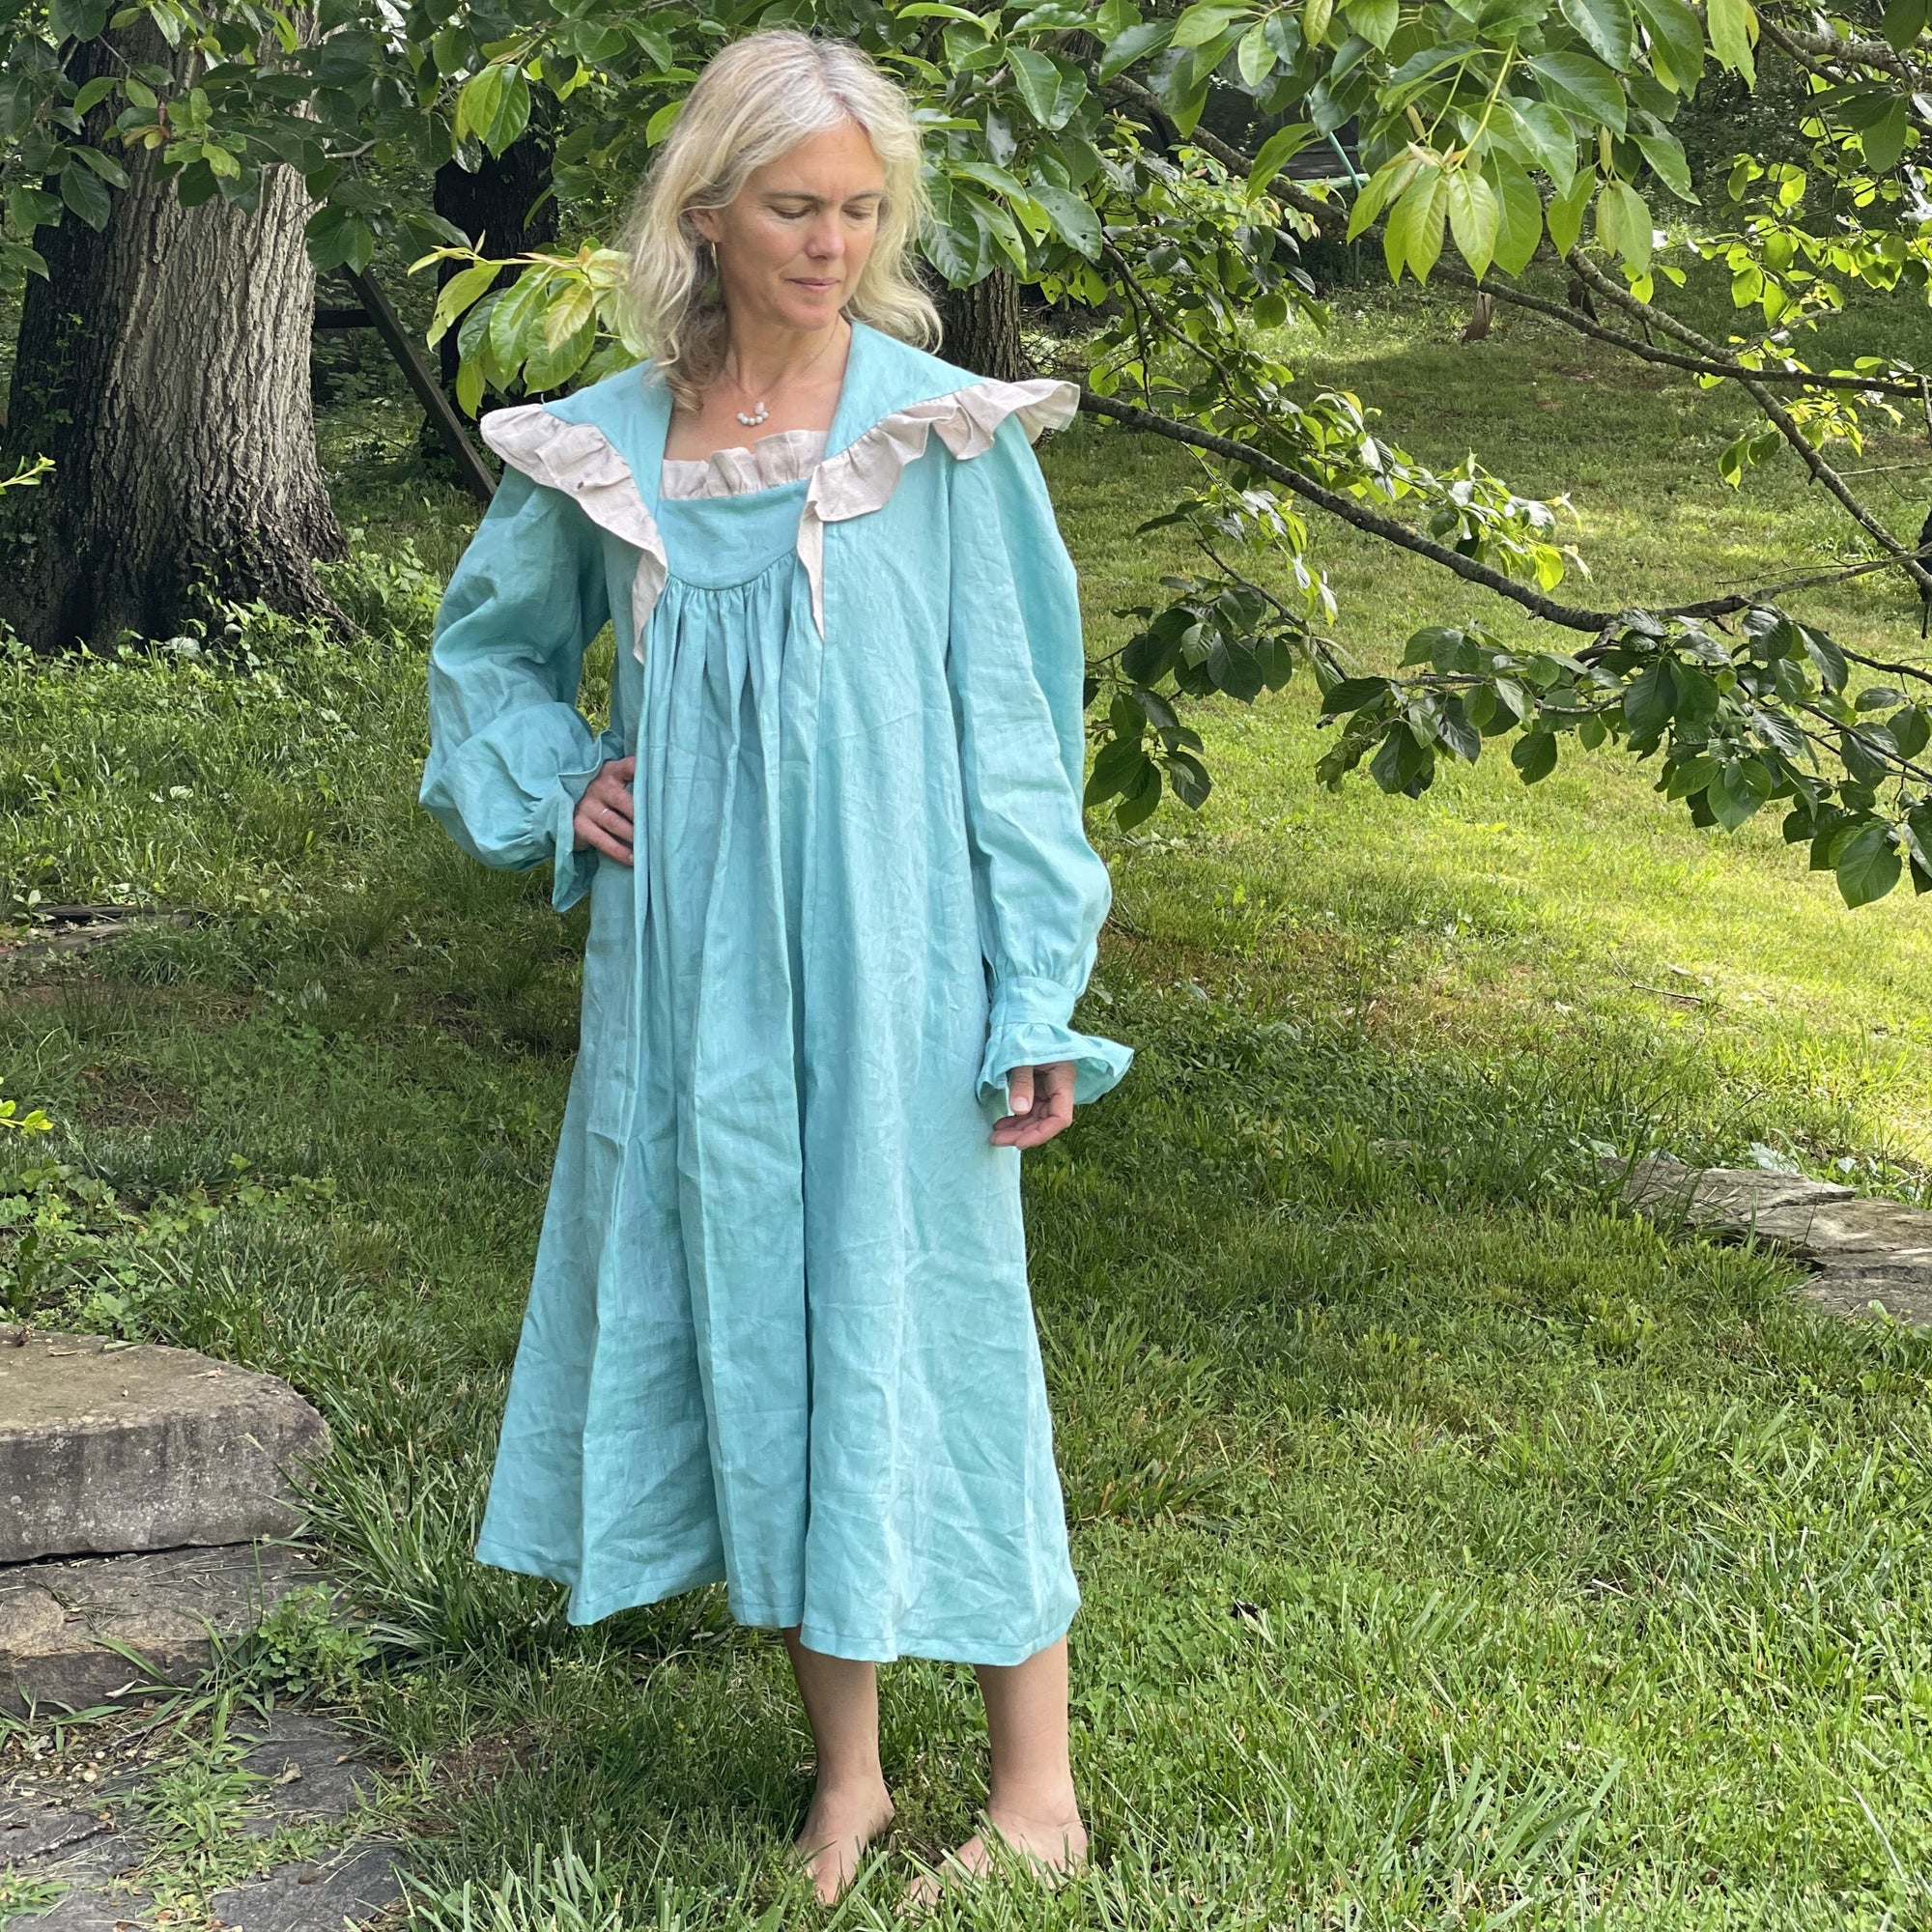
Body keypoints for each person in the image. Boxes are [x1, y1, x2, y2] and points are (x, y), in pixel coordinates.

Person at [416, 27, 1132, 1906]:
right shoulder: (611, 447)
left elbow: (1016, 739)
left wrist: (1033, 986)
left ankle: (1034, 1789)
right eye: (796, 207)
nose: (831, 242)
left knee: (935, 1323)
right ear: (708, 214)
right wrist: (559, 783)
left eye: (861, 210)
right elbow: (487, 662)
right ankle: (848, 1779)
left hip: (905, 968)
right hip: (694, 978)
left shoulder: (936, 435)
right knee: (761, 1318)